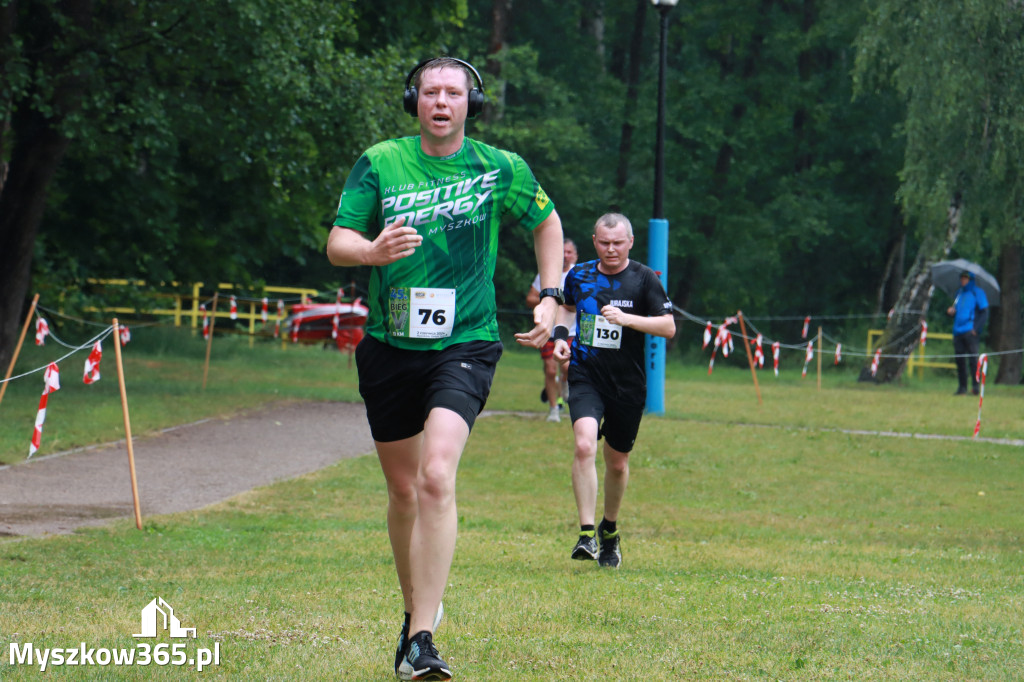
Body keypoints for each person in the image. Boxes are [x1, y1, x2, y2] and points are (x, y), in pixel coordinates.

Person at [326, 56, 564, 681]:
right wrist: (373, 251)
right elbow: (338, 242)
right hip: (389, 346)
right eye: (430, 91)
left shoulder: (499, 168)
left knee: (436, 474)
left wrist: (550, 293)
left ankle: (424, 639)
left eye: (453, 93)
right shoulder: (381, 160)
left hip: (465, 342)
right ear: (414, 99)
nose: (440, 101)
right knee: (403, 489)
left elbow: (547, 220)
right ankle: (414, 617)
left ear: (470, 104)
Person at [552, 213, 675, 568]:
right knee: (583, 443)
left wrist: (627, 319)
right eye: (604, 243)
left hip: (627, 383)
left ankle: (610, 531)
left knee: (617, 464)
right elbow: (566, 309)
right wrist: (562, 339)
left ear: (630, 242)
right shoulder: (580, 274)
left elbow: (668, 327)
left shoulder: (643, 279)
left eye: (617, 243)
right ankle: (586, 534)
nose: (611, 249)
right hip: (586, 375)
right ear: (594, 241)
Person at [525, 238, 578, 422]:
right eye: (562, 251)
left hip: (571, 331)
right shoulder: (547, 274)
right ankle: (554, 410)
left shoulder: (579, 274)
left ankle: (564, 384)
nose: (565, 255)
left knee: (567, 367)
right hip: (548, 329)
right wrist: (550, 300)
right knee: (549, 370)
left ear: (575, 255)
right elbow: (530, 298)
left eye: (569, 252)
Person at [946, 269, 989, 396]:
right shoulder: (959, 294)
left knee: (973, 360)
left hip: (970, 331)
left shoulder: (978, 293)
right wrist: (950, 312)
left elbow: (984, 312)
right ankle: (962, 387)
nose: (962, 280)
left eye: (965, 278)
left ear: (970, 280)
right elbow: (957, 312)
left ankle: (975, 387)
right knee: (960, 360)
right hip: (957, 331)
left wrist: (976, 329)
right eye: (962, 278)